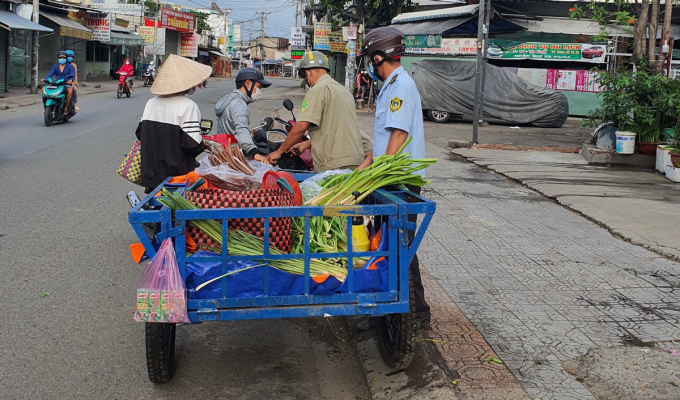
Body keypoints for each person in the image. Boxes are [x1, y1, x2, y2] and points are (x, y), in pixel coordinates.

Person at [357, 26, 431, 328]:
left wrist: (378, 173)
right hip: (389, 177)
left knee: (400, 247)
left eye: (369, 60)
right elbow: (384, 137)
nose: (369, 66)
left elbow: (399, 134)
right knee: (392, 245)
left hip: (399, 181)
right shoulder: (391, 84)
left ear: (378, 57)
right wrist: (364, 167)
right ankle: (399, 310)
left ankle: (415, 314)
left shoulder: (400, 86)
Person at [267, 51, 367, 171]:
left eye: (305, 78)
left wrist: (279, 152)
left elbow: (301, 127)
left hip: (334, 163)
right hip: (355, 160)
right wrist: (306, 144)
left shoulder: (317, 89)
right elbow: (335, 129)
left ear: (308, 73)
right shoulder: (344, 91)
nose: (307, 82)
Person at [135, 54, 212, 191]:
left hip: (151, 176)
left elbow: (141, 133)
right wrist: (204, 145)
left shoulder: (151, 103)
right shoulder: (188, 106)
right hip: (178, 178)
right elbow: (192, 144)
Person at [214, 68, 271, 163]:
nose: (259, 91)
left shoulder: (229, 99)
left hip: (225, 153)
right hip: (236, 157)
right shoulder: (239, 104)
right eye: (259, 87)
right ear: (248, 83)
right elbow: (241, 130)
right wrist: (254, 153)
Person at [41, 51, 75, 115]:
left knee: (69, 91)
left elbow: (72, 75)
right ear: (58, 58)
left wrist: (70, 80)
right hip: (55, 83)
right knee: (43, 89)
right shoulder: (55, 66)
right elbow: (50, 74)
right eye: (60, 57)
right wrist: (45, 79)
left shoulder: (70, 66)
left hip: (65, 84)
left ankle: (66, 108)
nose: (62, 59)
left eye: (63, 57)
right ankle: (45, 107)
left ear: (66, 58)